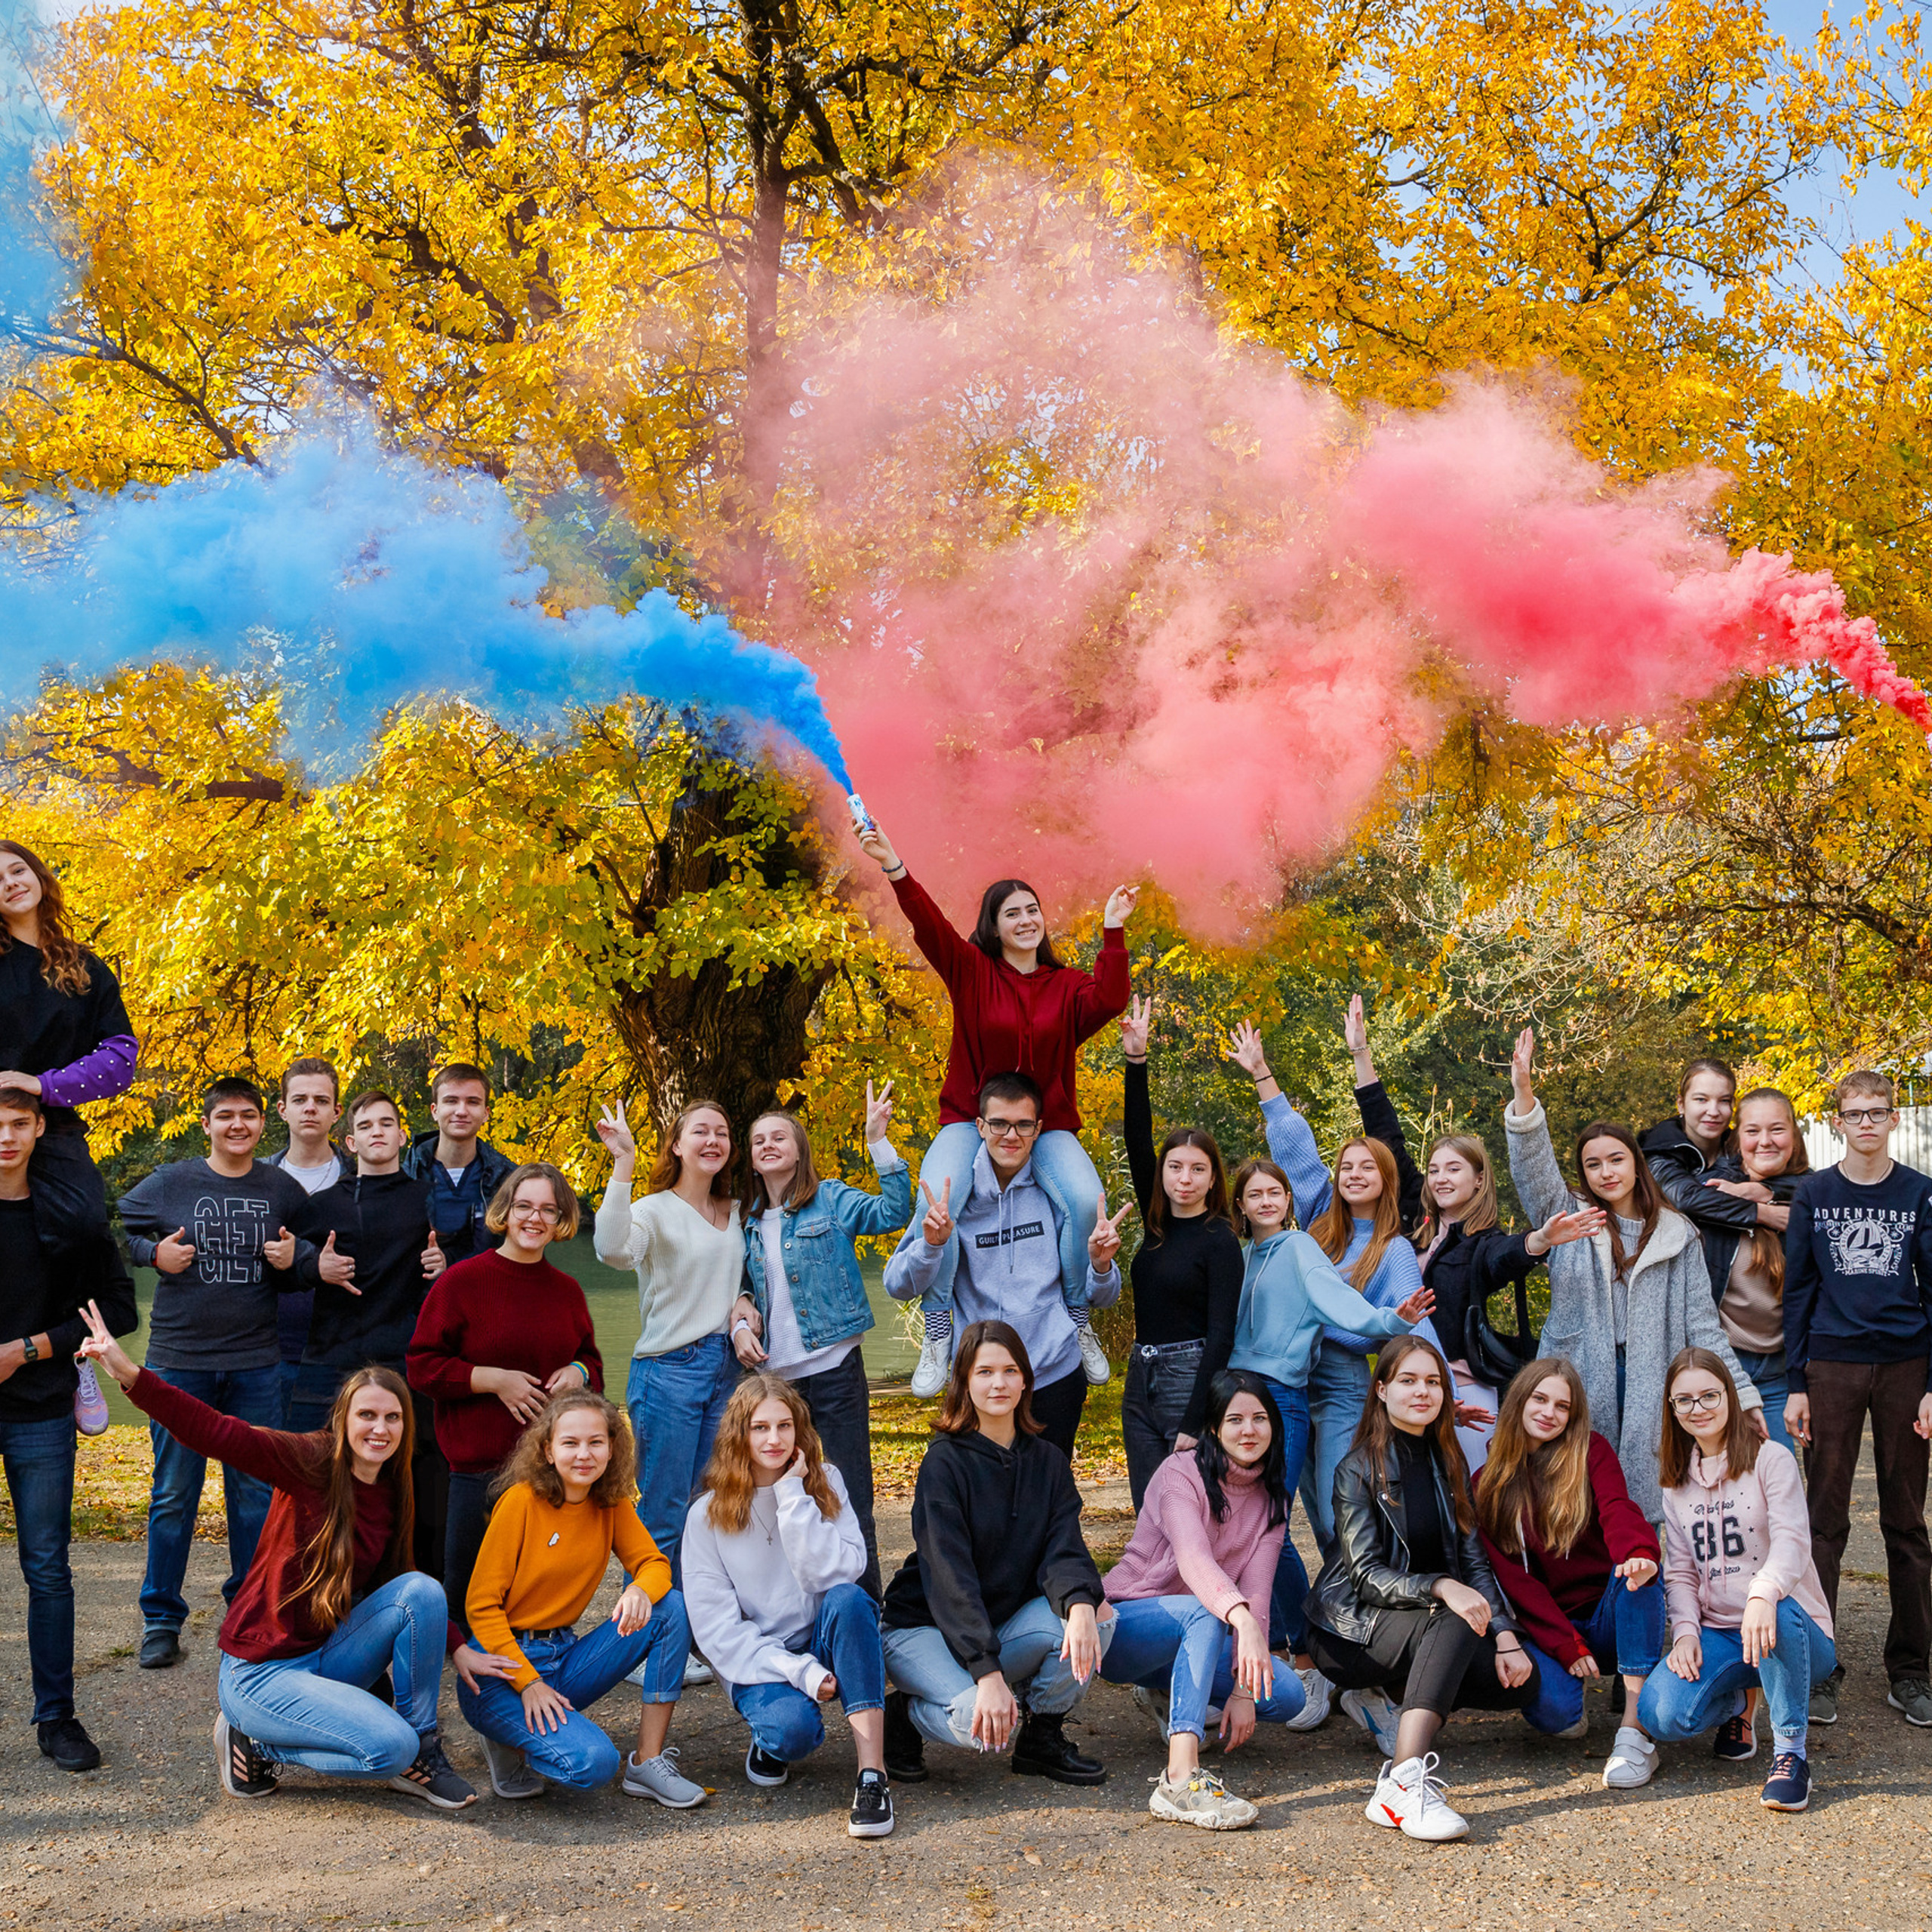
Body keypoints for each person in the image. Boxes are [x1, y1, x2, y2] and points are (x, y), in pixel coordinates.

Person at [77, 1306, 477, 1809]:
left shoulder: (395, 1485)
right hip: (261, 1672)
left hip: (325, 1653)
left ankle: (423, 1753)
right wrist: (132, 1375)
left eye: (392, 1417)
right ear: (343, 1419)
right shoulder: (309, 1460)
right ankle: (254, 1742)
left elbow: (401, 1578)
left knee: (423, 1591)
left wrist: (458, 1645)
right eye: (367, 1415)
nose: (381, 1428)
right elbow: (217, 1431)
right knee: (384, 1748)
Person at [855, 819, 1135, 1396]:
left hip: (1048, 1124)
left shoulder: (1067, 986)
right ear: (995, 926)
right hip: (968, 1118)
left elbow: (1110, 997)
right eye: (1012, 912)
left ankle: (1079, 1318)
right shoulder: (972, 972)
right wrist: (894, 865)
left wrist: (1113, 931)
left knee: (1085, 1201)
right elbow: (929, 927)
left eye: (1033, 909)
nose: (1026, 919)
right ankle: (938, 1327)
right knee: (943, 1200)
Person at [1503, 1026, 1765, 1524]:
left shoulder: (1677, 1234)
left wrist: (1742, 1394)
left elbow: (1703, 1328)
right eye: (1592, 1164)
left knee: (1649, 1508)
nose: (1606, 1172)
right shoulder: (1569, 1219)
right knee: (1572, 1498)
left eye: (1616, 1159)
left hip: (1653, 1377)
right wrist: (1523, 1093)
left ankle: (1644, 1592)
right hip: (1579, 1373)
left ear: (1636, 1163)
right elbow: (1532, 1170)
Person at [116, 1075, 321, 1670]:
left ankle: (248, 1609)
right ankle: (161, 1618)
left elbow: (308, 1252)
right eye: (226, 1116)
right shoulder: (170, 1182)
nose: (239, 1126)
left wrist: (296, 1260)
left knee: (255, 1493)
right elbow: (116, 1230)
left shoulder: (280, 1188)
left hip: (257, 1363)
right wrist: (153, 1255)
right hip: (181, 1363)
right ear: (206, 1124)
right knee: (174, 1494)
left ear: (264, 1123)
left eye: (250, 1116)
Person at [1304, 1335, 1540, 1842]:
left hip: (1422, 1621)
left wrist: (1504, 1635)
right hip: (1350, 1627)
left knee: (1522, 1683)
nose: (1422, 1392)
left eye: (1433, 1382)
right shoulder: (1357, 1470)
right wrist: (1440, 1586)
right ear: (1383, 1390)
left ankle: (1387, 1698)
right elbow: (1365, 1574)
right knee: (1453, 1616)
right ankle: (1402, 1783)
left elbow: (1475, 1564)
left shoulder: (1449, 1465)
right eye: (1408, 1381)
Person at [1220, 1152, 1432, 1712]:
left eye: (1276, 1193)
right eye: (1254, 1195)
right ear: (1239, 1205)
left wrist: (1394, 1321)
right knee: (1252, 1524)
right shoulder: (1242, 1255)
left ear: (1289, 1201)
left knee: (1277, 1523)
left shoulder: (1299, 1247)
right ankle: (1303, 1647)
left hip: (1282, 1398)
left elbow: (1343, 1305)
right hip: (1238, 1401)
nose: (1266, 1202)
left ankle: (1328, 1657)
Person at [1227, 1020, 1443, 1559]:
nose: (1353, 1174)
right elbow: (1295, 1147)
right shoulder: (1319, 1214)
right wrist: (1262, 1075)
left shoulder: (1392, 1250)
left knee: (1334, 1505)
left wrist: (1440, 1394)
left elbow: (1414, 1323)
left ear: (1387, 1179)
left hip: (1343, 1383)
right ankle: (1324, 1610)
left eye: (1368, 1167)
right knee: (1285, 1502)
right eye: (1347, 1165)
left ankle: (1354, 1601)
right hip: (1289, 1374)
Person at [1343, 998, 1581, 1472]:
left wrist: (1540, 1241)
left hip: (1464, 1390)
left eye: (1454, 1169)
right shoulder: (1416, 1221)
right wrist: (1361, 1055)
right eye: (1434, 1170)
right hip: (1409, 1389)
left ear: (1478, 1179)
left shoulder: (1481, 1241)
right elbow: (1387, 1138)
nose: (1440, 1178)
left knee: (1472, 1502)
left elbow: (1507, 1257)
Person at [879, 1321, 1113, 1786]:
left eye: (1009, 1370)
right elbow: (950, 1580)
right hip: (922, 1626)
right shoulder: (944, 1463)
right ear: (964, 1381)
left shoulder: (1047, 1461)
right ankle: (902, 1714)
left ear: (1026, 1379)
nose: (998, 1383)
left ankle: (1041, 1738)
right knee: (979, 1724)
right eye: (984, 1372)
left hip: (996, 1623)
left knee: (1099, 1619)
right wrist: (988, 1674)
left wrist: (1081, 1603)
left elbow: (1063, 1548)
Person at [460, 1392, 703, 1807]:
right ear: (548, 1451)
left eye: (596, 1442)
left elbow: (654, 1563)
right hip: (501, 1666)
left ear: (612, 1447)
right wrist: (528, 1683)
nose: (584, 1454)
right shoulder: (521, 1501)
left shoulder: (610, 1504)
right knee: (592, 1764)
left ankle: (647, 1761)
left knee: (669, 1609)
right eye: (570, 1443)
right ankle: (508, 1738)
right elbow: (481, 1606)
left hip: (564, 1656)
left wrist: (640, 1588)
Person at [1782, 1069, 1932, 1730]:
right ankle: (1821, 1670)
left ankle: (1912, 1672)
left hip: (1907, 1363)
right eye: (1854, 1113)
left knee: (1907, 1522)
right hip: (1832, 1364)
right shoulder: (1814, 1193)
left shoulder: (1921, 1194)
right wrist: (1794, 1382)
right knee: (1823, 1522)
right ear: (1838, 1120)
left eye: (1877, 1112)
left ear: (1894, 1119)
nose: (1866, 1123)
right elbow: (1799, 1292)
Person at [683, 1376, 894, 1837]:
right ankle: (770, 1738)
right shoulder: (707, 1514)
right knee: (792, 1732)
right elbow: (718, 1631)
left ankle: (872, 1776)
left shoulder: (825, 1481)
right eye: (760, 1428)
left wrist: (792, 1497)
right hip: (758, 1656)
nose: (774, 1439)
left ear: (800, 1431)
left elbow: (840, 1574)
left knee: (850, 1600)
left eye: (784, 1426)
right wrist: (798, 1672)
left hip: (820, 1637)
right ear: (739, 1434)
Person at [1100, 1371, 1311, 1829]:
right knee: (1205, 1611)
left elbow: (1258, 1586)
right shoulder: (1180, 1474)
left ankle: (1167, 1691)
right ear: (1214, 1428)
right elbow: (1195, 1562)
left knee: (1288, 1694)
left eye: (1259, 1418)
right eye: (1235, 1419)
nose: (1248, 1430)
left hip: (1203, 1629)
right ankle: (1180, 1779)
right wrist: (1246, 1624)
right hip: (1128, 1624)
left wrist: (1241, 1689)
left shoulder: (1271, 1499)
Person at [0, 1089, 139, 1771]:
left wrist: (26, 1350)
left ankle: (57, 1720)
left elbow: (117, 1308)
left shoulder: (70, 1217)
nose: (5, 1137)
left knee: (47, 1569)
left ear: (39, 1130)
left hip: (39, 1412)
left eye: (18, 1124)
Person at [731, 1081, 912, 1598]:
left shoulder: (830, 1198)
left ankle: (867, 1609)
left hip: (833, 1372)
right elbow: (739, 1287)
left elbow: (894, 1213)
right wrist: (741, 1317)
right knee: (778, 1497)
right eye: (759, 1140)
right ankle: (792, 1607)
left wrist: (878, 1140)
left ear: (799, 1150)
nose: (768, 1145)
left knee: (849, 1492)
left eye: (779, 1137)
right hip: (774, 1386)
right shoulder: (744, 1221)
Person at [1638, 1348, 1836, 1812]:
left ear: (1729, 1395)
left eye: (1709, 1395)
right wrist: (1686, 1632)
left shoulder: (1771, 1459)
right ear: (1672, 1408)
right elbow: (1682, 1570)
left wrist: (1763, 1594)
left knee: (1778, 1606)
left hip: (1794, 1633)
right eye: (1684, 1400)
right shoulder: (1676, 1481)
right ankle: (1739, 1705)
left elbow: (1793, 1542)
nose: (1698, 1408)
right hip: (1724, 1636)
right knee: (1659, 1713)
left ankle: (1790, 1755)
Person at [884, 1074, 1122, 1460]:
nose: (1011, 1136)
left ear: (1038, 1129)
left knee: (1049, 1501)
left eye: (1023, 1125)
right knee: (982, 1507)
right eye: (998, 1124)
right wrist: (931, 1246)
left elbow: (1106, 1296)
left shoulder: (1054, 1196)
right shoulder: (950, 1201)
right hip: (980, 1381)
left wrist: (1100, 1265)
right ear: (980, 1126)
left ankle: (1079, 1328)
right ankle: (938, 1331)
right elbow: (897, 1285)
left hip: (1052, 1373)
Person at [407, 1163, 601, 1638]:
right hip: (479, 1468)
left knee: (531, 1588)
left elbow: (591, 1362)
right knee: (464, 1593)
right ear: (505, 1212)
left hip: (546, 1468)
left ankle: (532, 1667)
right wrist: (491, 1379)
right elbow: (421, 1364)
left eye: (548, 1211)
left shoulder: (567, 1291)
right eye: (525, 1207)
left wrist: (577, 1373)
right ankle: (443, 1683)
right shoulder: (462, 1282)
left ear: (561, 1221)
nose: (536, 1219)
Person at [1473, 1359, 1666, 1788]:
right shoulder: (1486, 1483)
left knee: (1640, 1578)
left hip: (1608, 1612)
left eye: (1563, 1406)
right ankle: (1571, 1689)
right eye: (1540, 1399)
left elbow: (1618, 1507)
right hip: (1548, 1625)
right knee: (1556, 1718)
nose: (1549, 1413)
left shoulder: (1591, 1450)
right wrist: (1566, 1644)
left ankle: (1635, 1731)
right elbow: (1514, 1582)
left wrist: (1636, 1552)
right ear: (1519, 1402)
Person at [290, 1091, 448, 1574]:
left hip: (408, 1362)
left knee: (417, 1482)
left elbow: (471, 1265)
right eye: (366, 1126)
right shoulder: (321, 1205)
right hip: (334, 1359)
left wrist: (447, 1264)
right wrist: (315, 1265)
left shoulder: (431, 1201)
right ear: (350, 1142)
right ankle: (328, 1588)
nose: (377, 1131)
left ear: (403, 1136)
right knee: (327, 1479)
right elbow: (283, 1266)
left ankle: (422, 1591)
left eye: (387, 1123)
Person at [593, 1097, 743, 1597]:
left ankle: (692, 1629)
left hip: (728, 1370)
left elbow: (746, 1278)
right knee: (663, 1509)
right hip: (669, 1372)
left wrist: (744, 1301)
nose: (712, 1141)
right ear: (677, 1146)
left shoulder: (737, 1211)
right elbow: (614, 1252)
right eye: (700, 1131)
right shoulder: (652, 1210)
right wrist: (623, 1165)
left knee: (709, 1507)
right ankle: (643, 1636)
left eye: (721, 1132)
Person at [1109, 997, 1244, 1512]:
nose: (1183, 1179)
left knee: (1193, 1508)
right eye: (1175, 1168)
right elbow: (1138, 1139)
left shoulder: (1220, 1239)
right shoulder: (1156, 1222)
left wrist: (1195, 1418)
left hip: (1190, 1378)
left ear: (1213, 1178)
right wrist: (1136, 1061)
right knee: (1148, 1510)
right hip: (1140, 1376)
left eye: (1197, 1169)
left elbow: (1222, 1334)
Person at [0, 840, 139, 1253]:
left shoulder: (86, 967)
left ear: (38, 876)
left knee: (84, 1227)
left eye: (17, 871)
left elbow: (119, 1058)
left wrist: (43, 1085)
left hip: (54, 1125)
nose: (9, 883)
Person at [1694, 1087, 1809, 1455]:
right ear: (1736, 1137)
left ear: (1794, 1134)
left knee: (1782, 1484)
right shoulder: (1714, 1189)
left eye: (1777, 1130)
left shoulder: (1817, 1193)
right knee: (1724, 1485)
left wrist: (1766, 1191)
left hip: (1783, 1367)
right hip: (1725, 1363)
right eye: (1752, 1131)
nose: (1765, 1142)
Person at [266, 1059, 346, 1425]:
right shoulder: (255, 1181)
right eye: (299, 1100)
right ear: (283, 1109)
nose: (310, 1108)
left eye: (321, 1100)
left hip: (344, 1352)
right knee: (267, 1469)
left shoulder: (361, 1181)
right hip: (268, 1353)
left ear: (336, 1112)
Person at [1641, 1058, 1793, 1251]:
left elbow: (1804, 1178)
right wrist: (1763, 1213)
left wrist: (1767, 1190)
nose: (1713, 1111)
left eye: (1724, 1101)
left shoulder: (1742, 1144)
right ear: (1681, 1104)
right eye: (1701, 1100)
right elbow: (1686, 1199)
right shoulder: (1658, 1150)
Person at [401, 1063, 515, 1266]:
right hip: (422, 1296)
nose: (461, 1111)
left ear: (486, 1113)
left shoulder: (508, 1180)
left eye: (472, 1102)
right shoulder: (405, 1177)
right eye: (451, 1101)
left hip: (486, 1293)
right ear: (435, 1111)